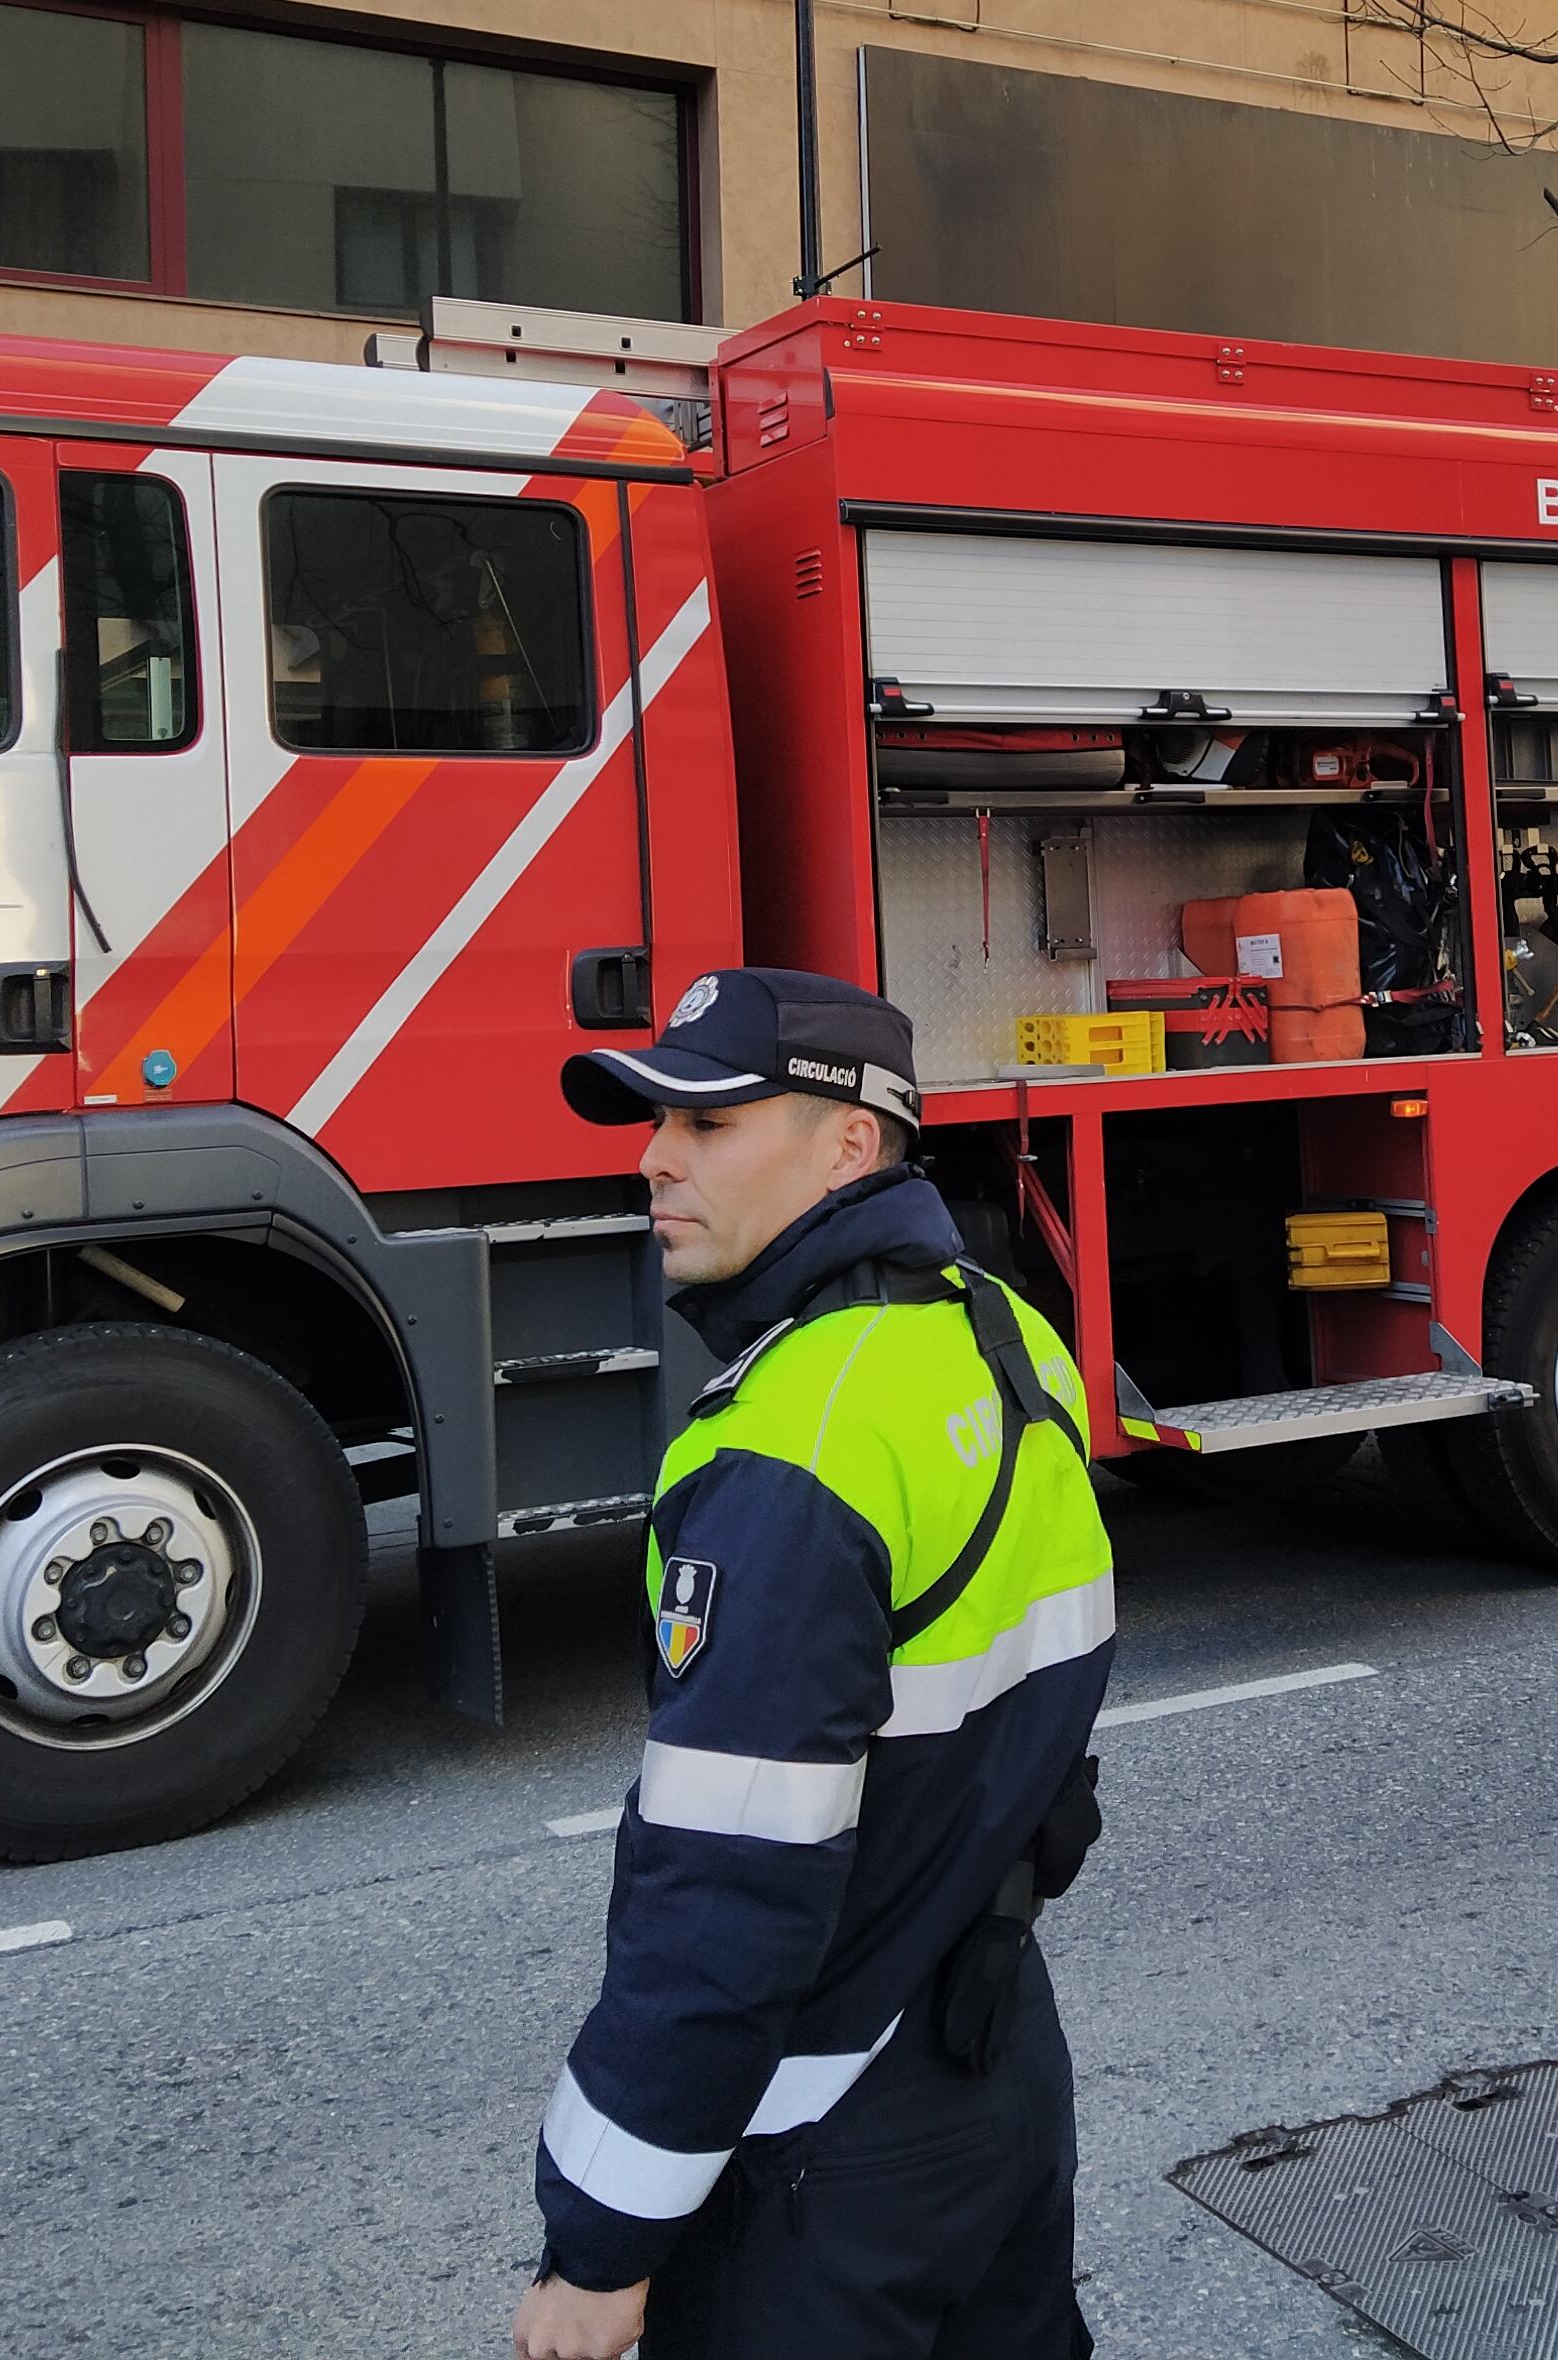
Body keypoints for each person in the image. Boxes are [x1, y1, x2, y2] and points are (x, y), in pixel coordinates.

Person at [516, 967, 1114, 2360]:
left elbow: (726, 1896)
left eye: (708, 1124)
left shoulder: (790, 1446)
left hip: (823, 2143)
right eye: (657, 1122)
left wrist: (601, 2243)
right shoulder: (1005, 1333)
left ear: (849, 1143)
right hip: (996, 2064)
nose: (655, 1159)